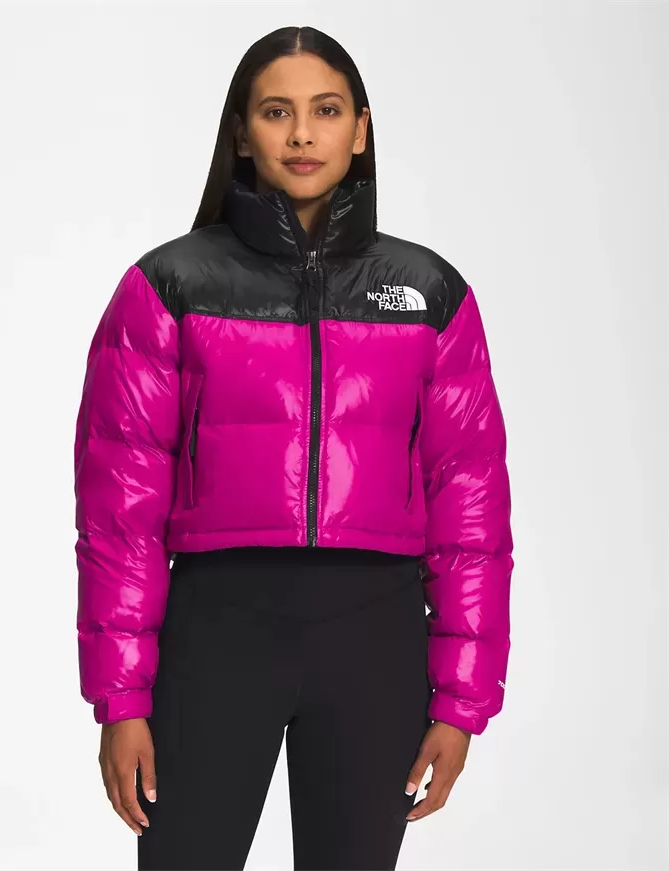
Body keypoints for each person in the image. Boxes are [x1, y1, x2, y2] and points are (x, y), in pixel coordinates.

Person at [73, 24, 514, 871]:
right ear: (242, 131)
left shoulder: (429, 294)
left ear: (362, 128)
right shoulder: (169, 288)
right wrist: (120, 700)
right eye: (277, 112)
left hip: (374, 640)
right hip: (217, 632)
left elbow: (472, 506)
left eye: (327, 111)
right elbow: (118, 511)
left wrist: (462, 703)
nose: (303, 134)